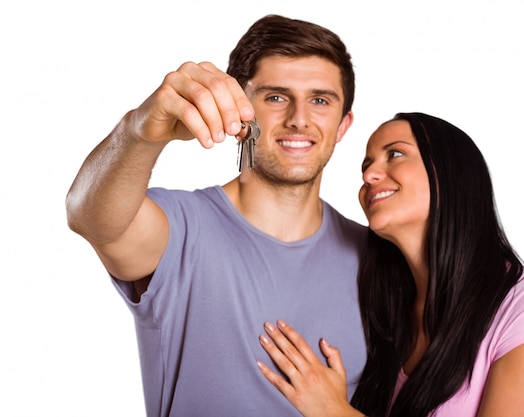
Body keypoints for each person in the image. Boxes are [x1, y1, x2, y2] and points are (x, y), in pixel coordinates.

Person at [65, 14, 368, 417]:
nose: (299, 118)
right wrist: (140, 130)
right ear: (241, 108)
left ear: (343, 124)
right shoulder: (182, 228)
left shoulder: (374, 254)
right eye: (276, 97)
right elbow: (89, 216)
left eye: (320, 100)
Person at [257, 112, 524, 417]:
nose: (369, 176)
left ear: (450, 172)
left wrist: (334, 411)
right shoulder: (386, 308)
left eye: (395, 154)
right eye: (366, 166)